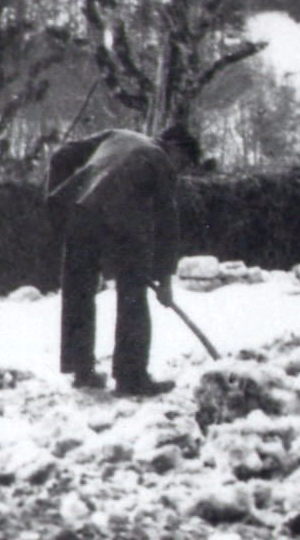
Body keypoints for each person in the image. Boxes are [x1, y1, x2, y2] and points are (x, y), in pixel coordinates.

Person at [45, 123, 200, 396]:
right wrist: (164, 281)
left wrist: (58, 201)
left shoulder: (117, 134)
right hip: (122, 225)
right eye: (183, 164)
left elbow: (60, 157)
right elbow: (167, 225)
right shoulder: (160, 160)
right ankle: (131, 378)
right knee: (132, 295)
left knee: (78, 291)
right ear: (175, 148)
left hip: (79, 213)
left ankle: (82, 371)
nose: (179, 171)